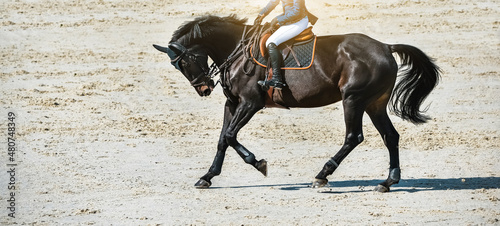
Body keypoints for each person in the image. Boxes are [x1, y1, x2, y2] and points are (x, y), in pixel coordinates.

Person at [254, 0, 318, 90]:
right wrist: (261, 15)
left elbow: (297, 12)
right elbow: (273, 2)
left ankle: (277, 79)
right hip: (289, 19)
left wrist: (277, 19)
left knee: (271, 42)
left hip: (298, 21)